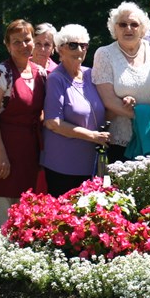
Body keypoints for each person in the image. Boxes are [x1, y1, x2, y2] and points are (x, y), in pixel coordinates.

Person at [0, 19, 47, 226]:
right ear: (8, 45)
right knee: (4, 210)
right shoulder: (1, 73)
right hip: (5, 146)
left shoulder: (41, 74)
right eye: (16, 42)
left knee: (27, 208)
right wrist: (1, 154)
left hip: (30, 149)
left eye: (26, 40)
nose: (22, 45)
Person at [93, 2, 150, 163]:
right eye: (122, 24)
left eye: (134, 24)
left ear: (142, 28)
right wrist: (145, 118)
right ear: (114, 28)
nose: (128, 28)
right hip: (121, 142)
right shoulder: (104, 54)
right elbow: (108, 101)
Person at [41, 25, 110, 196]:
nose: (79, 49)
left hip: (91, 164)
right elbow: (53, 123)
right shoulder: (56, 79)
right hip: (63, 164)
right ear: (60, 49)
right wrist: (92, 136)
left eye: (83, 45)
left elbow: (106, 105)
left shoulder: (91, 75)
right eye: (72, 45)